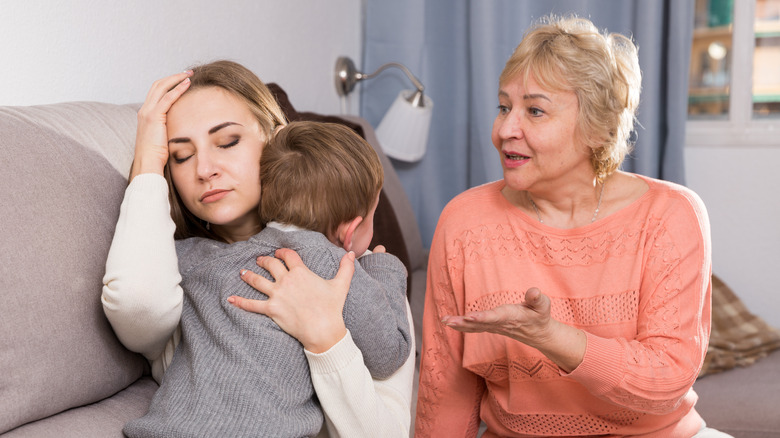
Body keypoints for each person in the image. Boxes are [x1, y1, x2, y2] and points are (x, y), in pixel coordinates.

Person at [414, 16, 728, 438]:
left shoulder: (670, 215)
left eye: (535, 110)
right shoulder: (464, 223)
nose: (505, 130)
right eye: (504, 107)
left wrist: (549, 336)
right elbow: (445, 393)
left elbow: (665, 381)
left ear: (597, 128)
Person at [102, 60, 415, 437]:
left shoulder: (358, 275)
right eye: (181, 155)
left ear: (276, 139)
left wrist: (325, 335)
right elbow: (137, 301)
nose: (204, 169)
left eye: (227, 142)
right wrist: (148, 164)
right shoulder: (177, 266)